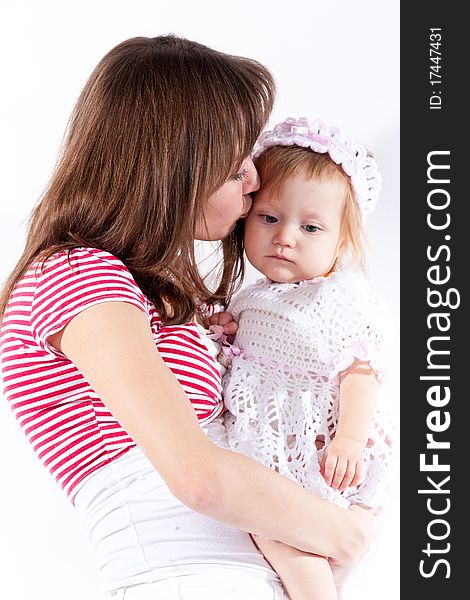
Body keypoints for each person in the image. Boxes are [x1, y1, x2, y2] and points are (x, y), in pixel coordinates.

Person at [0, 38, 372, 600]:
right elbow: (202, 478)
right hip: (190, 578)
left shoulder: (148, 291)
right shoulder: (76, 274)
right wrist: (348, 536)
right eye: (236, 165)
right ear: (177, 169)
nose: (253, 180)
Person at [212, 117, 394, 599]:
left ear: (341, 241)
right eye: (268, 218)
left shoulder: (337, 297)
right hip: (267, 450)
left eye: (310, 227)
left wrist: (350, 441)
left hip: (323, 451)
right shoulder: (252, 297)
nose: (284, 237)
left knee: (299, 553)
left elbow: (361, 371)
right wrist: (225, 334)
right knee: (286, 552)